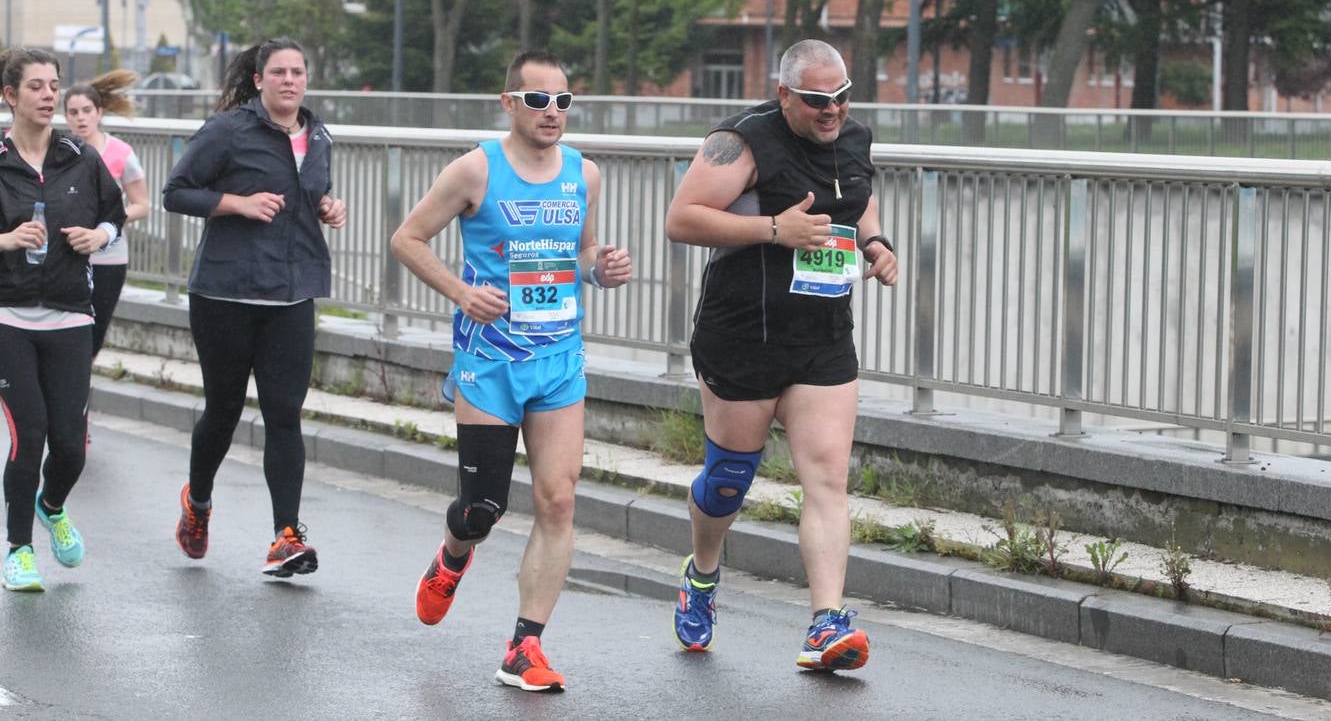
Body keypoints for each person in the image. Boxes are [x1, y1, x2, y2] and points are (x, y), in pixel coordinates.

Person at [390, 50, 632, 693]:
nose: (552, 112)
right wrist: (461, 293)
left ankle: (525, 646)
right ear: (508, 103)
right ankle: (454, 553)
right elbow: (407, 239)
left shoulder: (584, 173)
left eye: (562, 101)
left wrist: (600, 270)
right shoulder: (475, 170)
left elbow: (581, 253)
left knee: (559, 498)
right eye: (537, 100)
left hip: (558, 360)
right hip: (490, 361)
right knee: (482, 510)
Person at [665, 39, 898, 671]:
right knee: (728, 483)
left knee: (826, 477)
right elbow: (681, 219)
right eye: (819, 100)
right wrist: (774, 230)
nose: (833, 111)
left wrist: (876, 243)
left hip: (821, 339)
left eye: (842, 96)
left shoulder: (853, 138)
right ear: (785, 95)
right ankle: (702, 573)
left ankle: (827, 623)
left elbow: (858, 198)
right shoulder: (742, 142)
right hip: (742, 335)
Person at [162, 37, 346, 578]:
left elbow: (309, 195)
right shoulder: (228, 130)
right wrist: (236, 203)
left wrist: (327, 206)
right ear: (259, 80)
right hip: (225, 293)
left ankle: (286, 536)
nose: (290, 81)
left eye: (298, 72)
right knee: (223, 410)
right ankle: (198, 503)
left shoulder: (319, 136)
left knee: (284, 413)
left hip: (292, 294)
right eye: (279, 72)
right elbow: (177, 192)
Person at [0, 46, 126, 591]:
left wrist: (100, 236)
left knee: (71, 446)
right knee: (29, 436)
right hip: (9, 318)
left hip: (71, 316)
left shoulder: (80, 156)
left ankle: (51, 505)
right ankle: (18, 551)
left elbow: (116, 216)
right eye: (36, 86)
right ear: (10, 95)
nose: (49, 95)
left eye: (54, 85)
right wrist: (6, 240)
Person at [63, 70, 150, 358]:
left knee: (94, 336)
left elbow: (142, 204)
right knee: (68, 337)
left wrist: (108, 222)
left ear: (99, 112)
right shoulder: (58, 152)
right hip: (67, 255)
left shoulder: (121, 152)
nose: (81, 118)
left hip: (109, 256)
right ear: (65, 116)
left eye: (87, 110)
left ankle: (82, 385)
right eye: (73, 112)